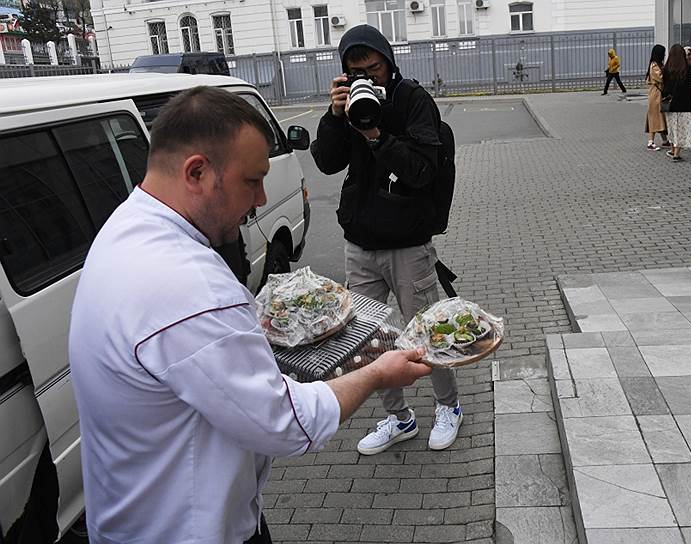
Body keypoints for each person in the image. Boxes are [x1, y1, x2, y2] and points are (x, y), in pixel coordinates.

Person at [68, 86, 433, 544]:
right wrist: (377, 373)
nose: (261, 198)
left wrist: (244, 339)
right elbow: (285, 424)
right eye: (251, 180)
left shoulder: (125, 228)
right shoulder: (187, 283)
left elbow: (193, 362)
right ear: (197, 172)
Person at [310, 24, 462, 456]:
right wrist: (336, 115)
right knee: (366, 341)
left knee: (426, 335)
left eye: (373, 68)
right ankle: (399, 418)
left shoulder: (413, 101)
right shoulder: (348, 104)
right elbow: (325, 161)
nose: (367, 77)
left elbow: (422, 171)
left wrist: (377, 135)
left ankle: (448, 406)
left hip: (408, 246)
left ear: (389, 62)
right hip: (360, 245)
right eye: (356, 71)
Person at [662, 44, 691, 162]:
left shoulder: (666, 69)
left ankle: (673, 150)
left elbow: (664, 88)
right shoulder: (688, 69)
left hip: (671, 104)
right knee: (682, 128)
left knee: (672, 127)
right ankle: (676, 154)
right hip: (684, 103)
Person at [645, 44, 671, 151]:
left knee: (660, 117)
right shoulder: (654, 66)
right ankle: (650, 142)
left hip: (657, 95)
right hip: (655, 95)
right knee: (655, 117)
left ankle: (665, 140)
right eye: (663, 53)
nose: (664, 55)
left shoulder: (658, 64)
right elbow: (661, 77)